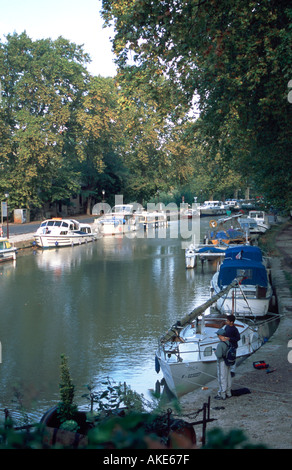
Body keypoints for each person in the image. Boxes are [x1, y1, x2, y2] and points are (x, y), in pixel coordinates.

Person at [214, 328, 232, 400]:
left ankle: (222, 394)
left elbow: (219, 355)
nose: (218, 336)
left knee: (222, 378)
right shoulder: (228, 342)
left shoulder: (220, 344)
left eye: (218, 335)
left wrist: (215, 352)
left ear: (221, 336)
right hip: (228, 361)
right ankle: (228, 393)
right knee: (228, 377)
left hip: (222, 362)